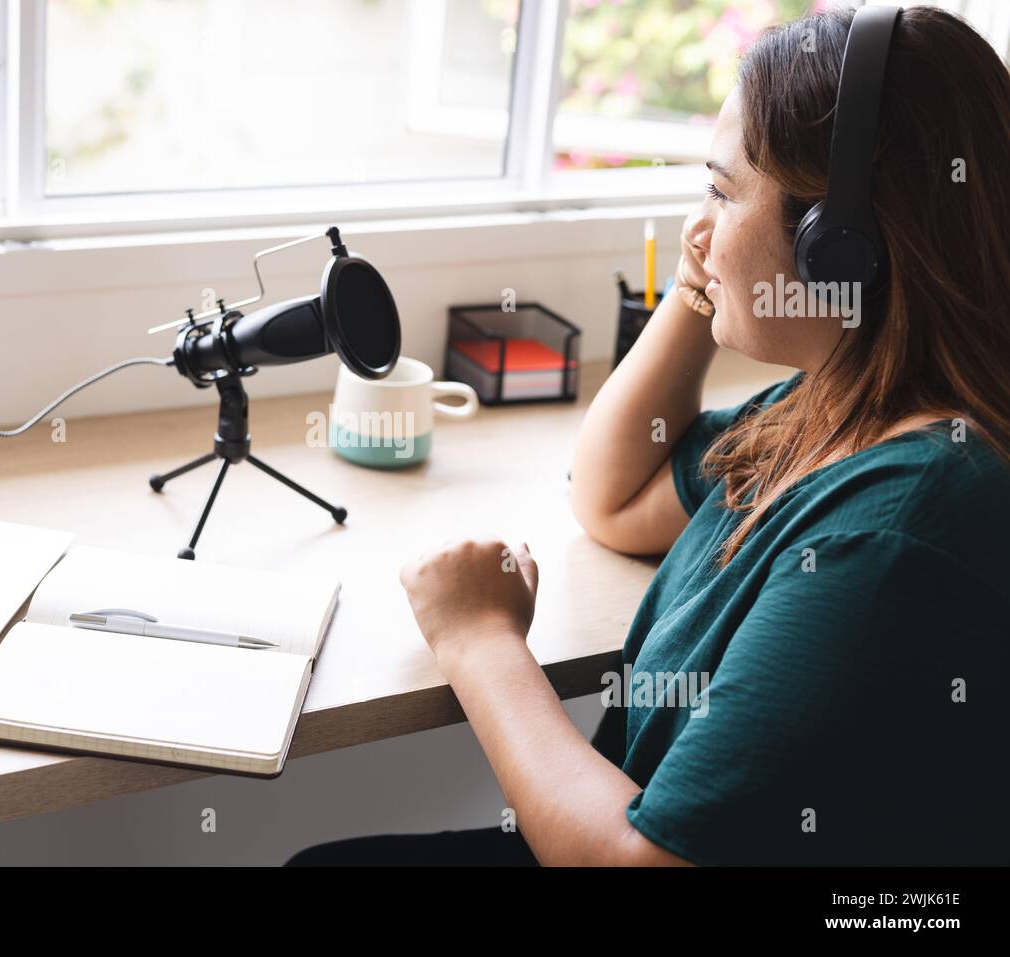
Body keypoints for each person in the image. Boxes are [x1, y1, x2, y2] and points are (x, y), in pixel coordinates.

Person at [286, 5, 1010, 866]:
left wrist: (477, 639)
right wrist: (707, 285)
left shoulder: (892, 531)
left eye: (720, 190)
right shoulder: (841, 409)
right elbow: (616, 493)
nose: (693, 232)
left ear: (841, 247)